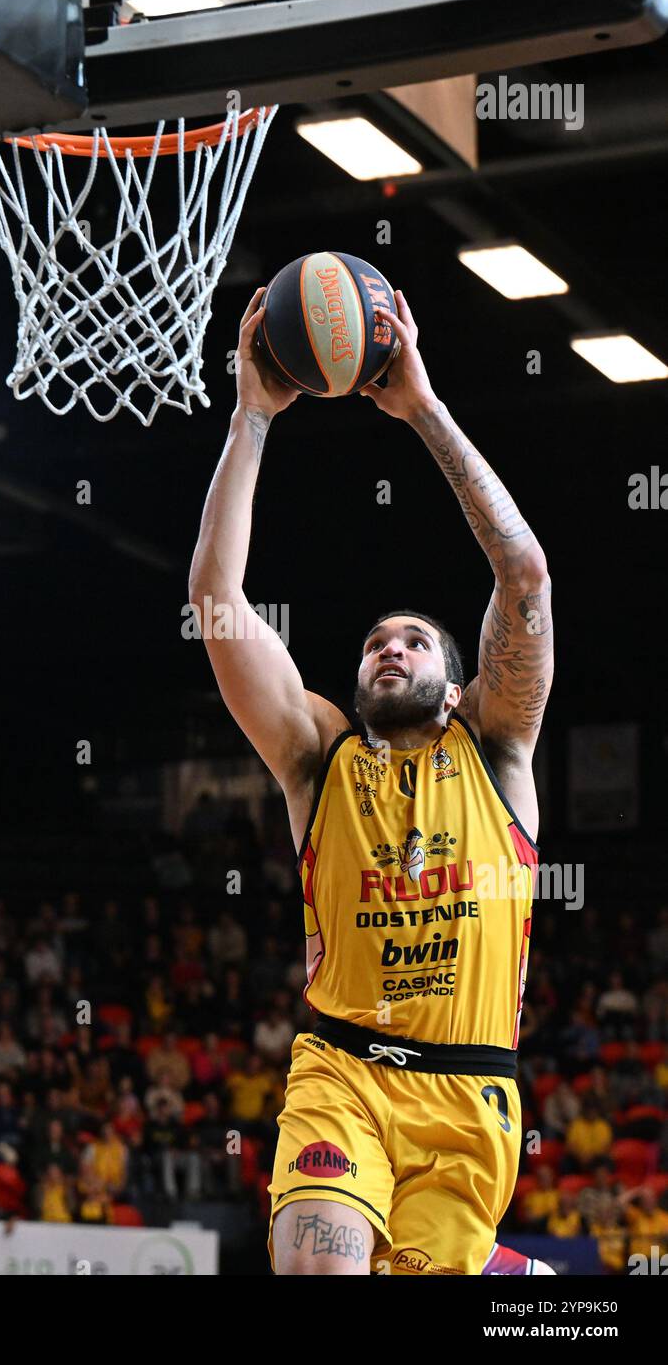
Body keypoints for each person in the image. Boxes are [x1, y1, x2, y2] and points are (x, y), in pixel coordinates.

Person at [189, 287, 553, 1276]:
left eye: (413, 641)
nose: (389, 649)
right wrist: (253, 414)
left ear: (454, 677)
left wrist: (422, 409)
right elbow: (217, 605)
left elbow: (523, 577)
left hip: (470, 1097)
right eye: (372, 643)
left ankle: (516, 1274)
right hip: (341, 1072)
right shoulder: (318, 753)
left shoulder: (497, 746)